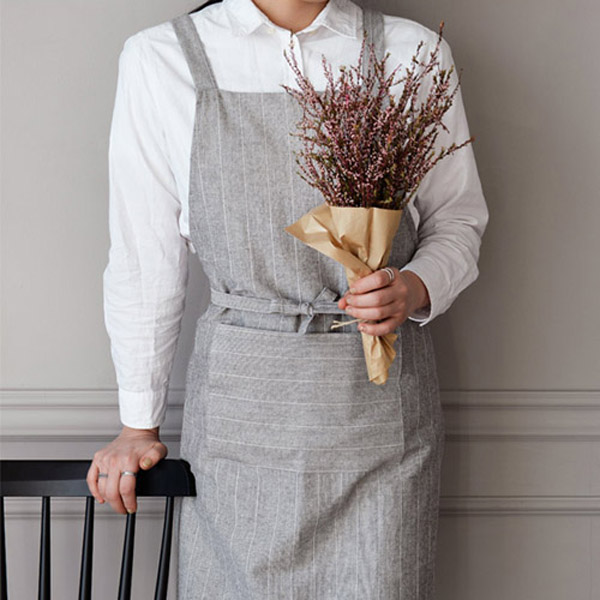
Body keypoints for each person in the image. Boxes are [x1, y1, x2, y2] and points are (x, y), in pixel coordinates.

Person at [87, 0, 489, 597]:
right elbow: (144, 261)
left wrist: (413, 286)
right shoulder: (161, 58)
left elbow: (457, 220)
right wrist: (137, 426)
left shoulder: (413, 53)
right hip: (240, 424)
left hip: (377, 418)